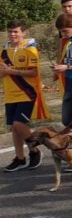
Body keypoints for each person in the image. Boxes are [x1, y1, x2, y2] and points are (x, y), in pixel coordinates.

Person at [3, 20, 46, 171]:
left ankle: (35, 150)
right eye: (10, 31)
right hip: (9, 93)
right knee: (15, 129)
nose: (12, 34)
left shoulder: (30, 49)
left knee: (18, 124)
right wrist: (5, 71)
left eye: (16, 32)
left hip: (27, 92)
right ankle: (20, 158)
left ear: (23, 33)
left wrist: (11, 71)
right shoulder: (4, 50)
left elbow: (33, 72)